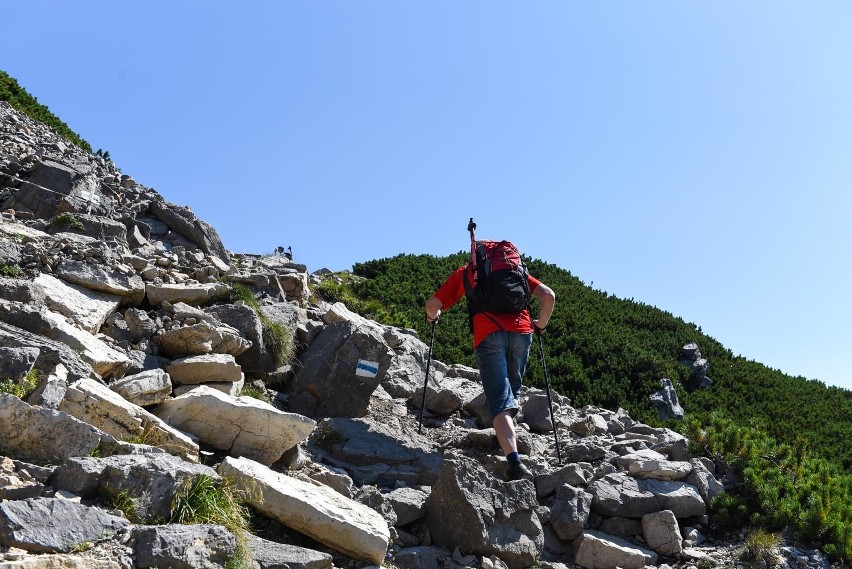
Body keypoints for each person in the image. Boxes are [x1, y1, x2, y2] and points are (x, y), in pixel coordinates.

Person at [424, 255, 556, 480]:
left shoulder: (467, 272)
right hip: (523, 333)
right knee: (511, 390)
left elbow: (432, 305)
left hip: (489, 333)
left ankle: (514, 462)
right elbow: (549, 296)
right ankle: (502, 437)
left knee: (499, 400)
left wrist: (432, 318)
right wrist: (540, 326)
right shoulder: (516, 271)